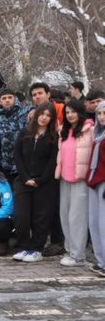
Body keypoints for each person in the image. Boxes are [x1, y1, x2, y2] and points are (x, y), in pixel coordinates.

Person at [10, 104, 58, 262]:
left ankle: (37, 248)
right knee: (21, 216)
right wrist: (25, 178)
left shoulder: (53, 137)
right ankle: (22, 246)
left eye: (48, 115)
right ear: (36, 115)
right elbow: (17, 155)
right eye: (42, 114)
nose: (44, 117)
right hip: (23, 181)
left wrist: (39, 180)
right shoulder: (25, 133)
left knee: (41, 217)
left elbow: (52, 162)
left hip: (44, 183)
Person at [55, 99, 93, 267]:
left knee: (77, 218)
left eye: (73, 111)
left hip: (81, 180)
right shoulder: (64, 131)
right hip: (64, 178)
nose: (70, 115)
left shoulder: (89, 130)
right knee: (65, 216)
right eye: (67, 112)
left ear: (80, 112)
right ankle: (70, 249)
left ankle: (78, 255)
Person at [0, 88, 30, 178]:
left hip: (27, 165)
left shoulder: (26, 113)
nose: (7, 100)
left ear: (14, 99)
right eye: (4, 98)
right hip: (7, 168)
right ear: (0, 101)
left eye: (9, 97)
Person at [86, 102, 105, 276]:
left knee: (103, 223)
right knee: (95, 223)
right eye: (99, 113)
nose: (102, 117)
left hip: (103, 182)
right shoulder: (98, 135)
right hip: (94, 181)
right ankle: (101, 261)